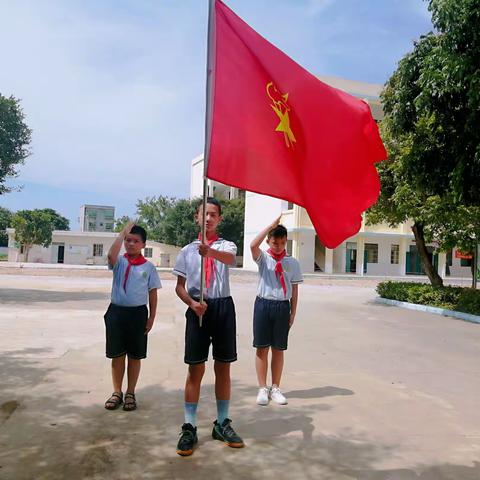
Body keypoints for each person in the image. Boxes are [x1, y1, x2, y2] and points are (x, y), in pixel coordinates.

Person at [173, 197, 244, 456]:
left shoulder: (226, 245)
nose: (209, 218)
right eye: (205, 214)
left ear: (220, 219)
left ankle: (222, 422)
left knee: (223, 366)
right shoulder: (186, 251)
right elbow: (179, 287)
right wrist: (191, 303)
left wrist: (210, 251)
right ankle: (189, 426)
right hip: (198, 308)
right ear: (197, 217)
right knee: (195, 368)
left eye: (214, 214)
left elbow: (230, 260)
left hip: (223, 307)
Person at [103, 222, 161, 411]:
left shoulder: (149, 268)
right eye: (128, 240)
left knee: (135, 356)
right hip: (117, 312)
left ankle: (130, 392)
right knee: (117, 355)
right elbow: (111, 255)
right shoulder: (119, 262)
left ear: (143, 244)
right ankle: (117, 391)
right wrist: (122, 234)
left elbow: (153, 293)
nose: (131, 244)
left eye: (136, 241)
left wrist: (152, 317)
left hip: (138, 314)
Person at [250, 216, 303, 406]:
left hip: (282, 307)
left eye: (282, 242)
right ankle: (262, 388)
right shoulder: (263, 259)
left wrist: (293, 313)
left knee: (278, 349)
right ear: (268, 241)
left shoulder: (292, 263)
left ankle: (276, 387)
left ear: (286, 241)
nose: (278, 246)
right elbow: (252, 245)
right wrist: (269, 226)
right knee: (261, 348)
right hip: (263, 305)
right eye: (274, 242)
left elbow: (295, 290)